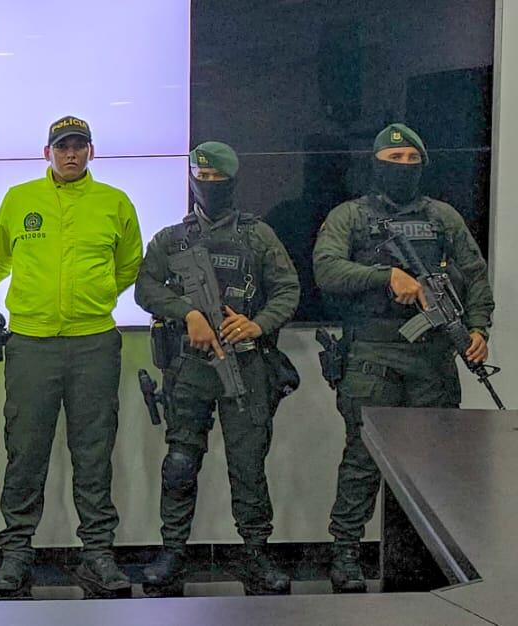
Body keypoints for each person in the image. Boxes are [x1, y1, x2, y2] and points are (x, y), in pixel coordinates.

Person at [0, 116, 143, 599]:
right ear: (48, 153)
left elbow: (129, 267)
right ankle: (17, 554)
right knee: (25, 451)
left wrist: (95, 296)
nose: (71, 154)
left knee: (94, 453)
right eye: (62, 147)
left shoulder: (115, 204)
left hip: (95, 344)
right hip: (31, 345)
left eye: (79, 146)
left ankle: (98, 555)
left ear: (91, 152)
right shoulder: (20, 200)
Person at [313, 123, 493, 593]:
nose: (403, 169)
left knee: (434, 464)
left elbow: (474, 275)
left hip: (433, 358)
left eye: (412, 162)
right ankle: (346, 554)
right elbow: (326, 269)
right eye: (394, 161)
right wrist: (385, 275)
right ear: (376, 165)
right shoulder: (350, 216)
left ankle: (430, 559)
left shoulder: (442, 218)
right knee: (362, 460)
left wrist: (477, 329)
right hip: (374, 356)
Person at [134, 142, 300, 597]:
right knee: (181, 462)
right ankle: (172, 551)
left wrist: (258, 323)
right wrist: (187, 313)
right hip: (190, 367)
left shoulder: (258, 236)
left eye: (216, 180)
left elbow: (288, 289)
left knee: (248, 464)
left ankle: (255, 551)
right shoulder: (173, 238)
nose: (208, 187)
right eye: (201, 178)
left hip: (246, 365)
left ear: (231, 181)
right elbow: (145, 287)